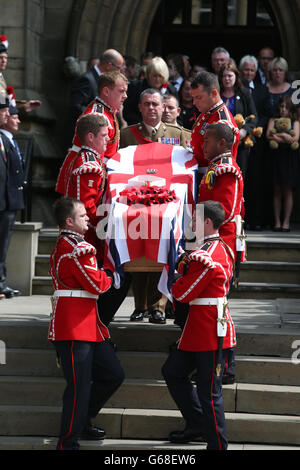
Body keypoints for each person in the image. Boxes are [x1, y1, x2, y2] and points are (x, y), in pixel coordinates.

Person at [49, 196, 124, 450]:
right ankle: (67, 442)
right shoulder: (74, 248)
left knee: (113, 374)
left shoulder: (77, 245)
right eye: (83, 216)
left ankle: (82, 420)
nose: (88, 219)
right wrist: (108, 275)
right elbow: (97, 285)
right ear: (69, 221)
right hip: (72, 325)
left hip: (88, 324)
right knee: (78, 388)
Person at [162, 200, 236, 450]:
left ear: (207, 223)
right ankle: (197, 422)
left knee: (209, 393)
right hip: (197, 328)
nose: (191, 224)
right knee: (173, 372)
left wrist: (174, 282)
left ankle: (217, 445)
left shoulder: (211, 254)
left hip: (209, 329)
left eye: (195, 220)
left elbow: (183, 293)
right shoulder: (206, 248)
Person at [120, 88, 190, 325]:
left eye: (156, 104)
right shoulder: (126, 135)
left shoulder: (178, 134)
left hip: (168, 208)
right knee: (140, 253)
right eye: (147, 104)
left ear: (163, 107)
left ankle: (159, 306)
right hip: (136, 206)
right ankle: (140, 306)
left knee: (163, 253)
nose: (151, 108)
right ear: (139, 107)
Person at [57, 71, 128, 195]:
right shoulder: (98, 115)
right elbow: (94, 154)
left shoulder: (107, 111)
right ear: (106, 91)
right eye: (121, 91)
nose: (125, 96)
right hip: (87, 178)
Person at [56, 113, 109, 259]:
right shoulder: (89, 165)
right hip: (86, 236)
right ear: (91, 137)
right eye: (104, 135)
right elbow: (85, 206)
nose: (108, 139)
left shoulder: (88, 159)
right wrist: (104, 226)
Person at [239, 55, 273, 230]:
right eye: (246, 70)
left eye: (252, 70)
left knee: (256, 181)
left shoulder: (262, 89)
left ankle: (256, 219)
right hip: (239, 144)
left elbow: (266, 113)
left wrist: (254, 129)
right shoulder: (238, 90)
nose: (249, 73)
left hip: (257, 143)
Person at [190, 71, 240, 178]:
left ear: (214, 93)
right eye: (193, 98)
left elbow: (220, 163)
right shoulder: (207, 112)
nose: (194, 102)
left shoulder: (222, 121)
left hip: (212, 179)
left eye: (199, 97)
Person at [68, 49, 125, 141]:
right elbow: (76, 106)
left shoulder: (104, 81)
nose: (119, 72)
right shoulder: (87, 80)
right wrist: (101, 118)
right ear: (108, 65)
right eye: (118, 68)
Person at [0, 100, 24, 299]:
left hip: (9, 200)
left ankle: (1, 282)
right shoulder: (2, 138)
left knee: (4, 244)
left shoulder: (8, 139)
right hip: (4, 200)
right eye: (7, 113)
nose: (10, 118)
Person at [266, 95, 300, 232]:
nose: (283, 109)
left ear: (290, 108)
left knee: (288, 190)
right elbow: (268, 135)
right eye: (281, 106)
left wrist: (280, 137)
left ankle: (286, 222)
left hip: (289, 157)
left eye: (286, 107)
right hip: (276, 157)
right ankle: (277, 222)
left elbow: (295, 138)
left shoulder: (295, 121)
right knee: (277, 190)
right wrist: (284, 137)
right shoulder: (273, 119)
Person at [219, 62, 258, 178]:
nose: (227, 79)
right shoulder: (216, 94)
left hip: (240, 144)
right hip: (220, 142)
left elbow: (254, 116)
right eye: (224, 76)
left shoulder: (244, 93)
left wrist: (245, 130)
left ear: (236, 76)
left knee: (239, 176)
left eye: (230, 76)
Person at [123, 56, 178, 125]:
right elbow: (128, 112)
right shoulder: (136, 87)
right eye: (154, 76)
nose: (157, 79)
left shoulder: (171, 90)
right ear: (148, 75)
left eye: (160, 76)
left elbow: (177, 115)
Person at [0, 35, 41, 113]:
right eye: (1, 57)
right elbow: (2, 106)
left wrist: (23, 107)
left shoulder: (1, 78)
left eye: (5, 58)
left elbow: (4, 107)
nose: (4, 61)